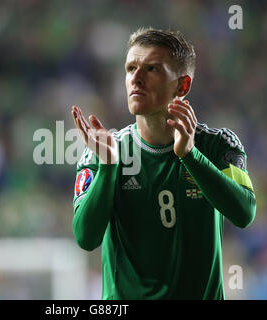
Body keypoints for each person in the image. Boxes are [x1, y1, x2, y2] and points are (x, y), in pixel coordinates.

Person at [71, 27, 256, 300]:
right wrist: (109, 167)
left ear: (183, 85)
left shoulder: (218, 145)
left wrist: (190, 155)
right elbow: (86, 238)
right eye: (131, 68)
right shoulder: (104, 151)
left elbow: (244, 213)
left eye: (152, 69)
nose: (136, 78)